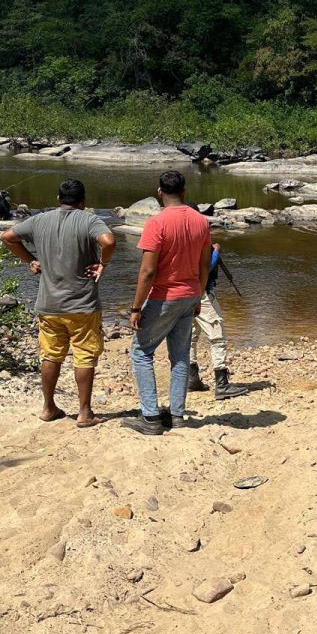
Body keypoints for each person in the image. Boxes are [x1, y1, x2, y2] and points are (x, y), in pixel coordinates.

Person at [0, 179, 116, 428]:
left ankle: (48, 407)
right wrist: (102, 264)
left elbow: (8, 236)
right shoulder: (88, 220)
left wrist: (29, 260)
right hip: (83, 304)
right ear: (83, 201)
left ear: (58, 199)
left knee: (51, 356)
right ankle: (84, 413)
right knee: (84, 356)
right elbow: (109, 241)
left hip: (49, 303)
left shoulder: (40, 220)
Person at [122, 170, 212, 436]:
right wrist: (199, 295)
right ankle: (177, 415)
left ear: (159, 192)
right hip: (190, 294)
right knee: (180, 356)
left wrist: (136, 307)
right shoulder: (201, 221)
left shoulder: (156, 223)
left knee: (141, 351)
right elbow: (204, 265)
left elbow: (147, 272)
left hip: (165, 296)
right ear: (184, 191)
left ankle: (150, 416)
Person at [188, 242, 248, 400]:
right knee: (217, 337)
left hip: (184, 291)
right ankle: (222, 384)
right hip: (202, 294)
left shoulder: (181, 238)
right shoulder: (202, 240)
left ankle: (191, 379)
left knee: (191, 336)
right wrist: (216, 251)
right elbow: (206, 268)